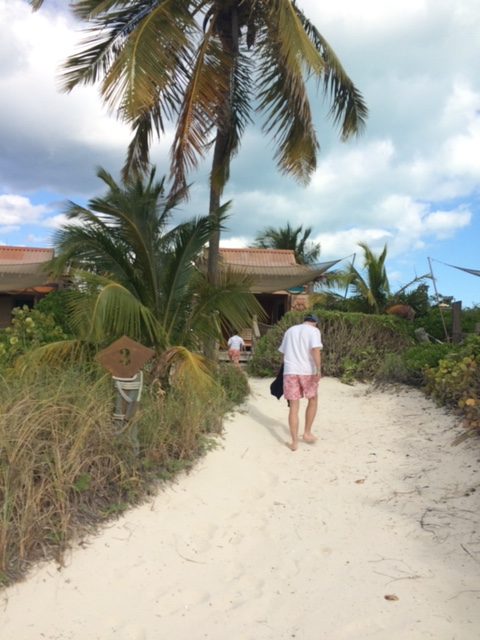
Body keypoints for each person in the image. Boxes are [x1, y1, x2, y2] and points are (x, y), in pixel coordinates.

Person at [278, 313, 323, 451]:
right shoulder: (314, 331)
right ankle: (307, 433)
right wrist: (319, 369)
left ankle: (294, 443)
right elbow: (315, 350)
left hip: (290, 371)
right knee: (313, 399)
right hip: (307, 371)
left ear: (304, 321)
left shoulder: (290, 330)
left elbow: (284, 353)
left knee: (294, 407)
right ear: (315, 322)